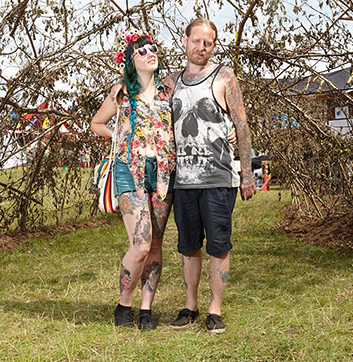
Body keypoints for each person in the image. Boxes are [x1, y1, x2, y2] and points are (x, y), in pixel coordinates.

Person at [165, 18, 255, 334]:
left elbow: (241, 125)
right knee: (189, 245)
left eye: (209, 43)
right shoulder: (171, 81)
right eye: (197, 40)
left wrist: (247, 173)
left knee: (218, 244)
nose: (202, 47)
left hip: (219, 177)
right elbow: (147, 107)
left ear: (213, 46)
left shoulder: (225, 76)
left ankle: (215, 309)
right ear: (185, 39)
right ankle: (190, 305)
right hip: (183, 179)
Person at [90, 30, 176, 331]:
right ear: (130, 59)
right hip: (130, 169)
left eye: (153, 48)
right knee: (140, 244)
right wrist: (120, 138)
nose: (150, 53)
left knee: (155, 244)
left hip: (164, 172)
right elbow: (96, 123)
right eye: (142, 51)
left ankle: (146, 309)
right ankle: (123, 303)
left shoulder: (169, 92)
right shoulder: (121, 92)